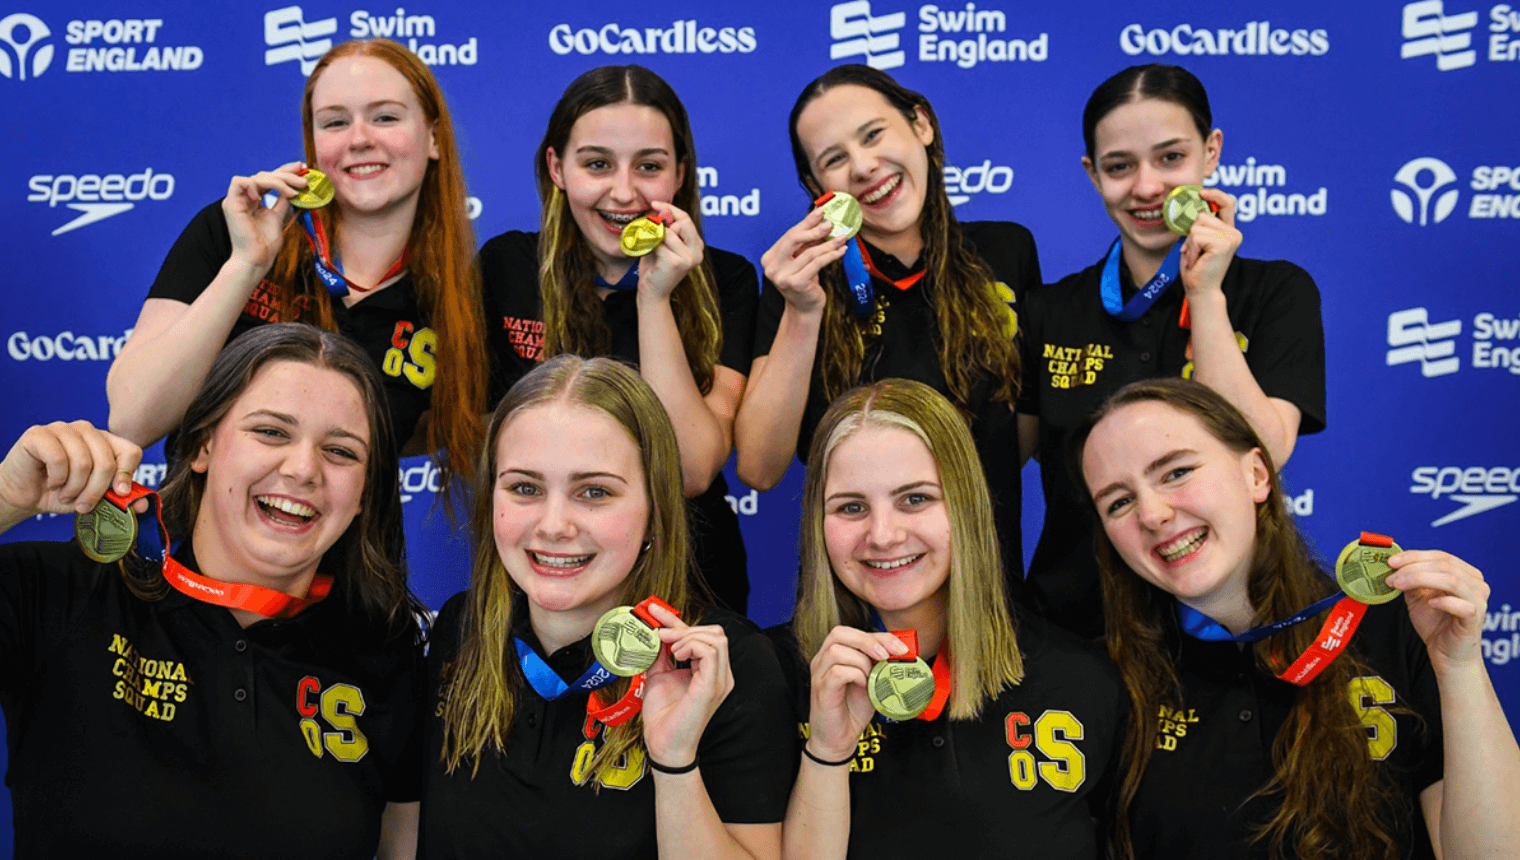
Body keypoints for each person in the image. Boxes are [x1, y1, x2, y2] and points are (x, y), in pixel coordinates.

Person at [0, 323, 423, 858]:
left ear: (364, 494)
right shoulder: (64, 592)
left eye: (340, 452)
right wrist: (6, 498)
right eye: (271, 432)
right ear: (202, 443)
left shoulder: (385, 650)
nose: (302, 469)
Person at [1074, 377, 1520, 860]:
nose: (1153, 514)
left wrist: (1459, 668)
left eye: (1177, 472)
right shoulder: (1102, 683)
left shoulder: (1400, 625)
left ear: (1257, 474)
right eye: (1118, 502)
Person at [420, 355, 792, 860]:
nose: (554, 525)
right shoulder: (459, 630)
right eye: (525, 488)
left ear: (656, 509)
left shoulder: (728, 666)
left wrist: (675, 763)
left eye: (593, 492)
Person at [1020, 63, 1326, 638]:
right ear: (1092, 174)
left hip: (1228, 627)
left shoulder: (1276, 291)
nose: (1145, 187)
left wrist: (1205, 293)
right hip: (1073, 630)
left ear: (1211, 152)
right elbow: (992, 465)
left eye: (1170, 158)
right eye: (1119, 166)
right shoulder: (1049, 311)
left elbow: (1263, 450)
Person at [107, 38, 485, 491]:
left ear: (434, 138)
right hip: (194, 555)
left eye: (385, 117)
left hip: (351, 560)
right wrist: (247, 264)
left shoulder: (455, 301)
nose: (360, 138)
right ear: (314, 143)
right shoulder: (233, 233)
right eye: (335, 122)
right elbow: (132, 418)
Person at [776, 378, 1123, 860]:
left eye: (915, 499)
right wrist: (826, 754)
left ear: (966, 505)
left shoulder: (1082, 680)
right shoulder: (768, 675)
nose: (883, 535)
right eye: (851, 507)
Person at [735, 64, 1038, 593]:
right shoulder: (800, 281)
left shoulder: (1007, 250)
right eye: (834, 159)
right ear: (816, 187)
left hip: (993, 595)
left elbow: (1022, 436)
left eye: (873, 135)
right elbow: (759, 468)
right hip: (862, 595)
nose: (863, 165)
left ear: (920, 124)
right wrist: (802, 311)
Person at [478, 65, 755, 612]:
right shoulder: (505, 267)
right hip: (549, 568)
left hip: (694, 576)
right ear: (557, 167)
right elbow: (488, 454)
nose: (624, 192)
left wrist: (655, 297)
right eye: (597, 164)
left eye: (648, 166)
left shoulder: (728, 279)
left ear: (679, 173)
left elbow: (693, 469)